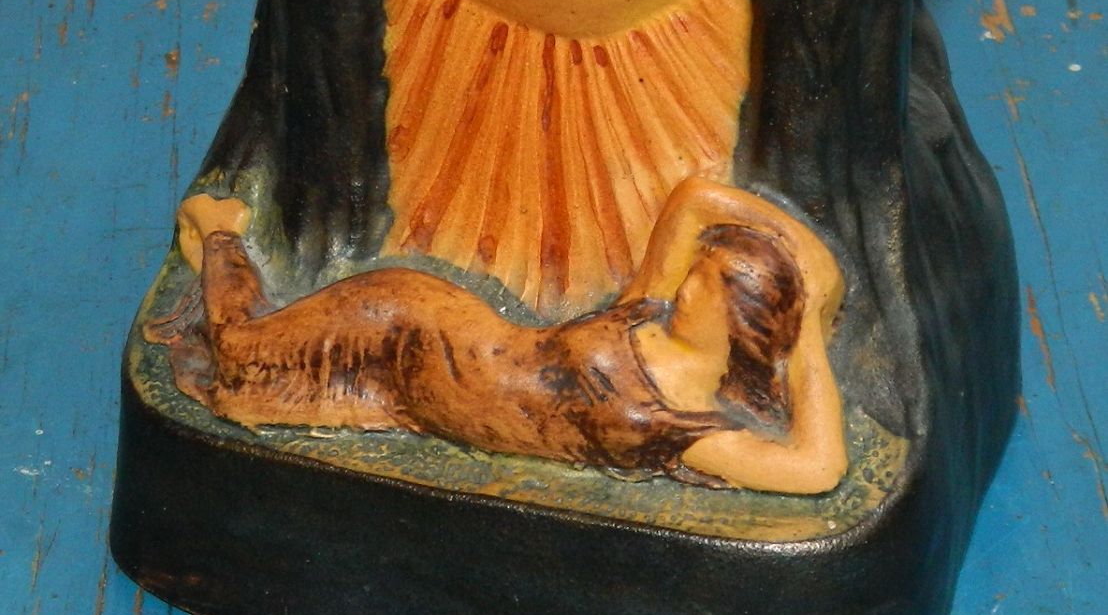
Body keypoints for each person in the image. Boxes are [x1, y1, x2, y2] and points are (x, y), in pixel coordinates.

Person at [154, 177, 848, 495]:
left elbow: (818, 469)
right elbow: (695, 197)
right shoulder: (645, 312)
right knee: (239, 356)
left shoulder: (686, 426)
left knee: (250, 372)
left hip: (429, 393)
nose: (687, 287)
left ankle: (222, 264)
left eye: (708, 285)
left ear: (743, 321)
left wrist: (809, 329)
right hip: (410, 325)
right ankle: (219, 229)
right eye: (694, 272)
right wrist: (809, 255)